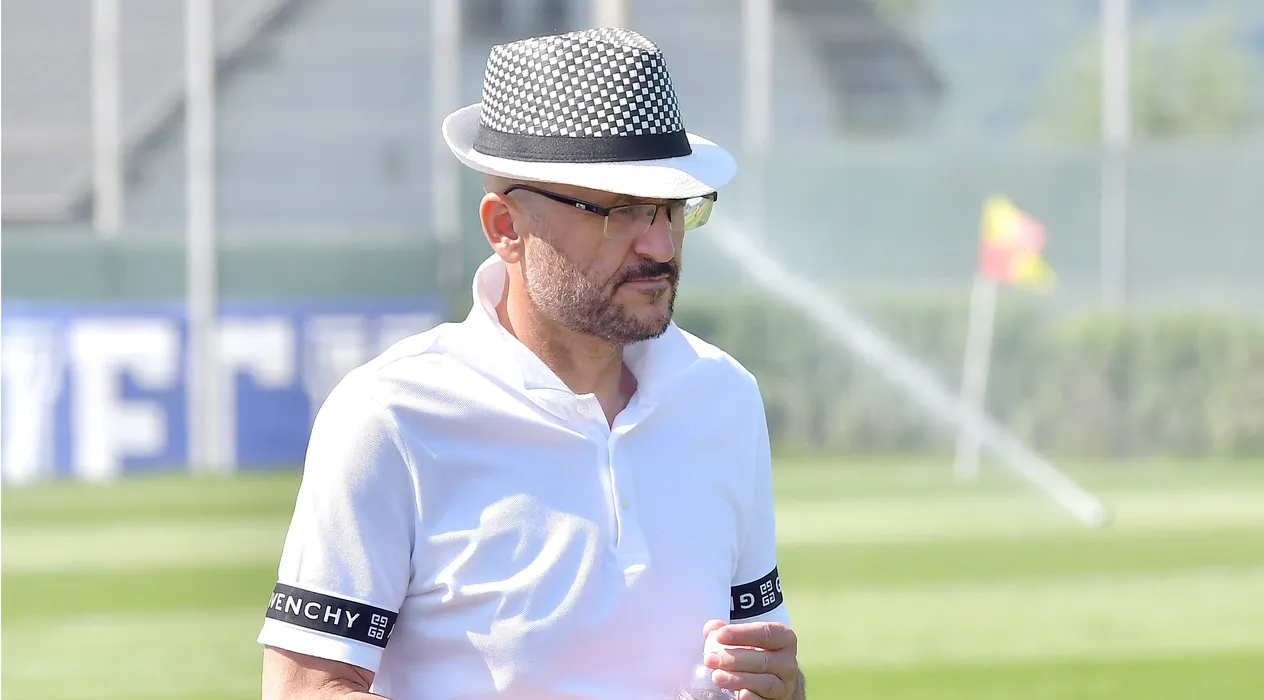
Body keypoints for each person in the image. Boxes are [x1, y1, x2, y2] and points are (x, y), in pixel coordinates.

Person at [258, 27, 804, 700]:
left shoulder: (724, 397)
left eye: (672, 209)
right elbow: (305, 688)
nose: (660, 244)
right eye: (619, 212)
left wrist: (780, 687)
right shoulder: (390, 416)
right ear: (504, 227)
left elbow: (760, 665)